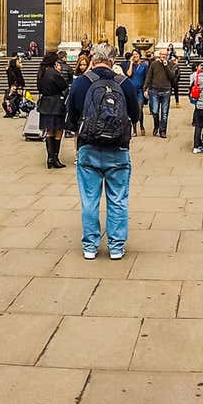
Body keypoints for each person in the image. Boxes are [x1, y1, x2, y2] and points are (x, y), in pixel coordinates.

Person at [65, 47, 133, 260]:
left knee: (89, 200)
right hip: (118, 149)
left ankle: (90, 246)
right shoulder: (124, 83)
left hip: (88, 148)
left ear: (93, 60)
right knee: (118, 199)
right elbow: (135, 114)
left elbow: (72, 117)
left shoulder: (81, 82)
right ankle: (116, 247)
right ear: (112, 61)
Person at [37, 50, 70, 169]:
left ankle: (50, 158)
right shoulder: (54, 73)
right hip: (56, 104)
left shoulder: (41, 73)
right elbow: (64, 86)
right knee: (59, 130)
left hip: (45, 104)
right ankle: (55, 157)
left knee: (49, 131)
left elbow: (39, 88)